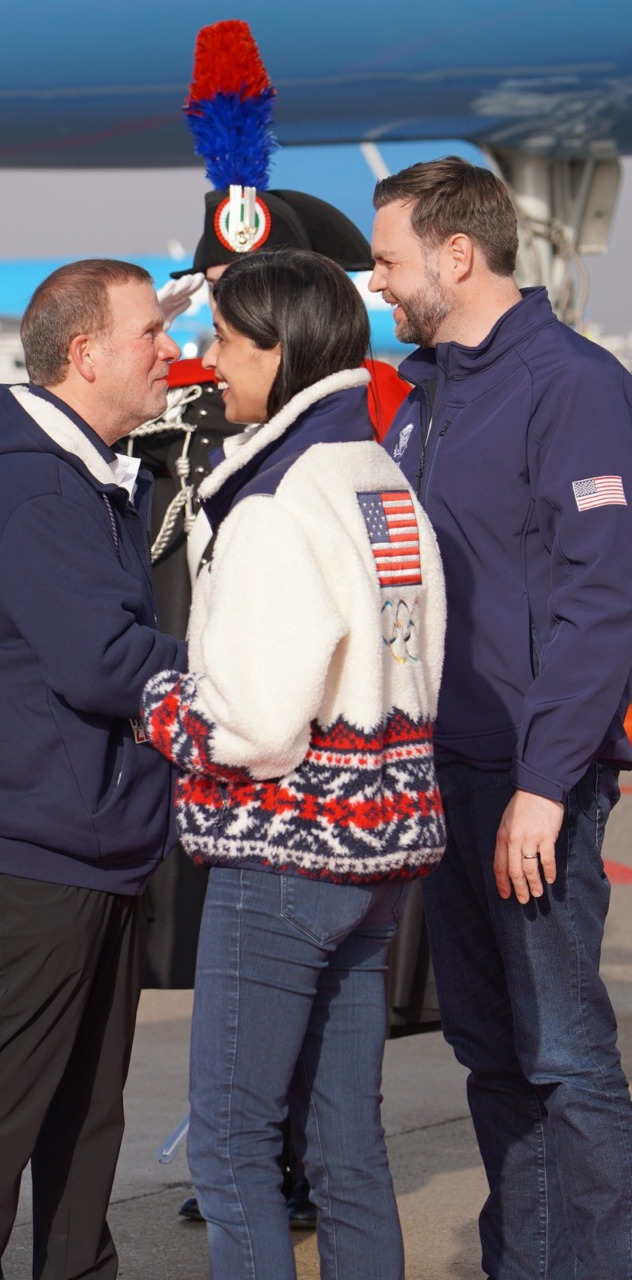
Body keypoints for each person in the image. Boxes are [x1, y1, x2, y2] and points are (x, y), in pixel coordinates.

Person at [140, 249, 446, 1280]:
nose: (207, 359)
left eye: (223, 340)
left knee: (231, 1151)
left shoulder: (276, 502)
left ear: (278, 352)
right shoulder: (380, 476)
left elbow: (257, 729)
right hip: (376, 861)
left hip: (285, 857)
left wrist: (164, 708)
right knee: (346, 1149)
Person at [370, 155, 632, 1280]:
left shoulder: (568, 384)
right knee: (488, 1051)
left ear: (456, 253)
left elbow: (599, 596)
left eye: (388, 259)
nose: (378, 281)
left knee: (565, 1055)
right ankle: (525, 1261)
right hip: (443, 773)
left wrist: (541, 783)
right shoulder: (427, 393)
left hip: (531, 785)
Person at [0, 258, 187, 1280]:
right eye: (149, 335)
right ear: (85, 355)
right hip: (33, 842)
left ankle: (77, 1265)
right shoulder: (35, 486)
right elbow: (102, 657)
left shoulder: (94, 472)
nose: (167, 351)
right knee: (8, 1097)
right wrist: (230, 670)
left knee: (88, 1101)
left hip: (92, 829)